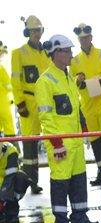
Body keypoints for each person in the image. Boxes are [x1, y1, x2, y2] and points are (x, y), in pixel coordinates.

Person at [35, 35, 99, 223]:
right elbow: (46, 116)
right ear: (57, 53)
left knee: (79, 181)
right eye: (68, 51)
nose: (71, 54)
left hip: (75, 142)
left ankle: (79, 217)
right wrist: (56, 143)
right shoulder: (45, 81)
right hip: (60, 144)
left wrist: (84, 130)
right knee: (60, 183)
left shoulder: (68, 78)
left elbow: (76, 109)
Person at [70, 23, 101, 188]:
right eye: (81, 39)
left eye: (86, 38)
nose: (84, 41)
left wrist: (93, 84)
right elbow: (72, 84)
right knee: (96, 143)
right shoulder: (75, 61)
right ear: (78, 40)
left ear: (91, 38)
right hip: (87, 107)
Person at [11, 15, 49, 194]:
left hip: (47, 102)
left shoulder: (47, 52)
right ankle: (31, 182)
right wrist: (20, 103)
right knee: (30, 144)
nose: (36, 34)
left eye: (38, 30)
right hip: (29, 103)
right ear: (27, 32)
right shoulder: (18, 53)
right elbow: (15, 80)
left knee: (53, 140)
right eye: (33, 31)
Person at [0, 142, 31, 223]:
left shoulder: (10, 152)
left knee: (20, 178)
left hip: (7, 183)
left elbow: (9, 179)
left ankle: (11, 213)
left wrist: (2, 200)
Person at [0, 43, 16, 137]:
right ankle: (12, 150)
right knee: (10, 129)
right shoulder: (2, 67)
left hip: (4, 100)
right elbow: (9, 86)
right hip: (5, 101)